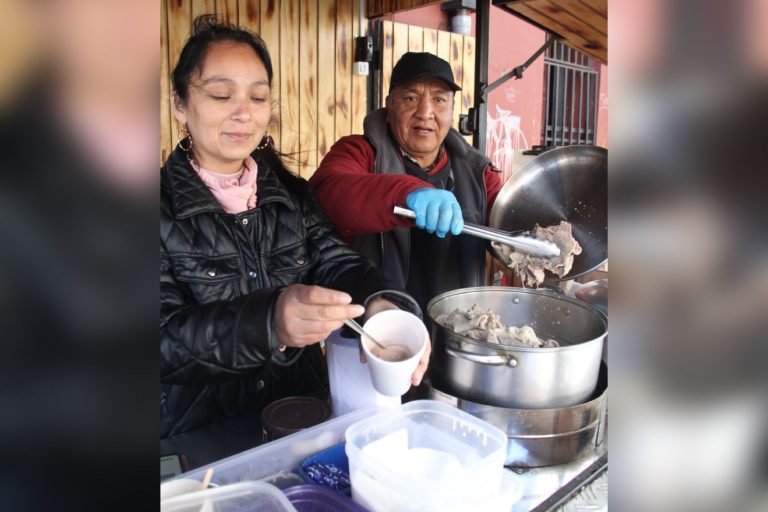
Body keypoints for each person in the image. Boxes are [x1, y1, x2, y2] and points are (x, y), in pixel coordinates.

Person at [161, 17, 426, 438]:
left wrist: (378, 306)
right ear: (179, 103)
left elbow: (340, 265)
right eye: (220, 94)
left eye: (258, 96)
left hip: (305, 418)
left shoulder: (291, 195)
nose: (243, 112)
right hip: (205, 436)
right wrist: (269, 322)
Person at [309, 52, 503, 313]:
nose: (425, 113)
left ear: (451, 110)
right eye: (411, 98)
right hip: (377, 326)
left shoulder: (479, 173)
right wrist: (408, 193)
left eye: (439, 100)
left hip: (459, 331)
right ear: (389, 106)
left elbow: (510, 228)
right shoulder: (360, 152)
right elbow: (326, 194)